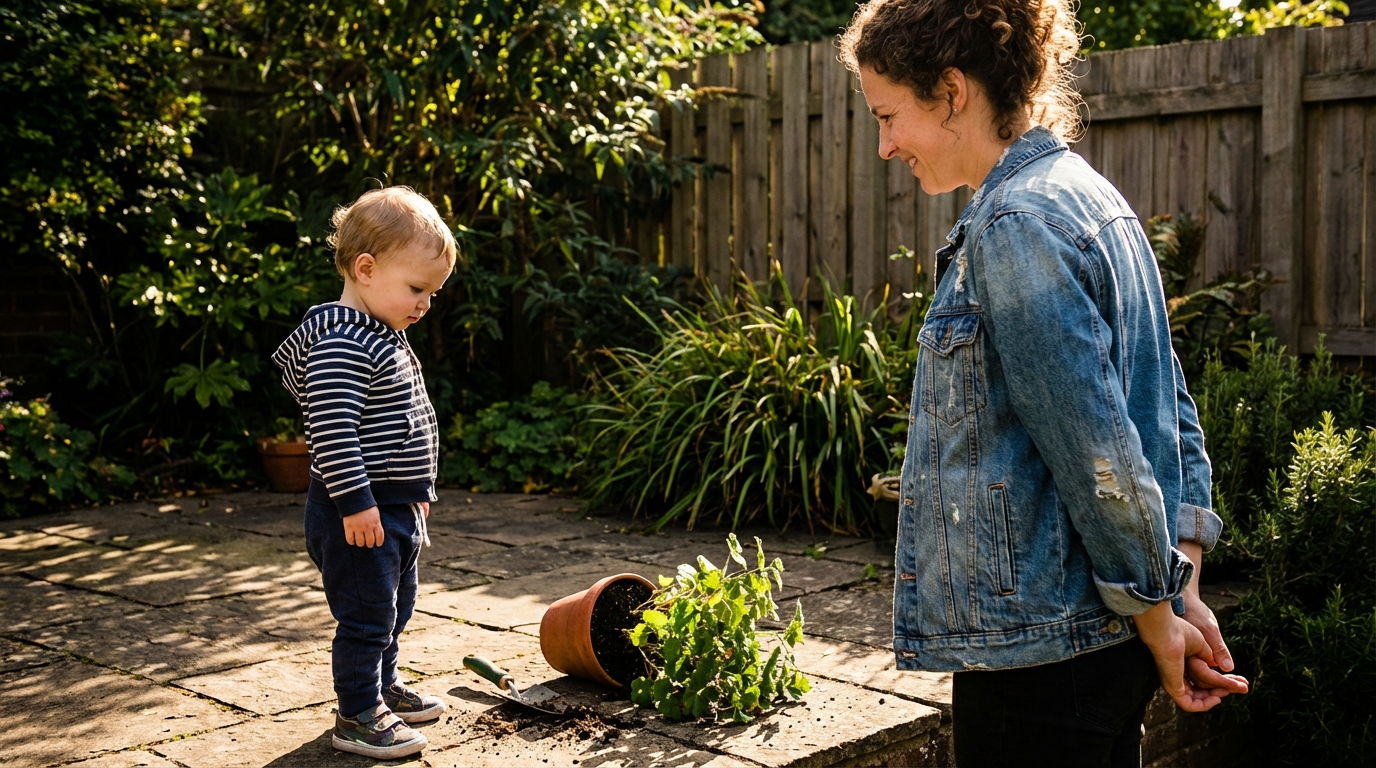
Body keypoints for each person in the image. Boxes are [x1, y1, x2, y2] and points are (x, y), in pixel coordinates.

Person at [838, 1, 1249, 765]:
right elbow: (1168, 405)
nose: (888, 145)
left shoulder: (1016, 225)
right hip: (1094, 644)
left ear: (953, 91)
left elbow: (1097, 453)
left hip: (1043, 656)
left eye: (889, 116)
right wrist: (1180, 584)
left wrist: (1160, 616)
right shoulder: (1088, 196)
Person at [272, 186, 455, 759]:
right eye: (418, 288)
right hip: (356, 512)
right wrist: (356, 503)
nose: (426, 303)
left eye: (434, 293)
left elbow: (399, 421)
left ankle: (381, 687)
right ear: (366, 269)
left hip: (391, 507)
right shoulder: (342, 339)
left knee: (396, 605)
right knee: (367, 614)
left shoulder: (381, 332)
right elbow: (331, 432)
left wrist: (414, 493)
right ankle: (356, 712)